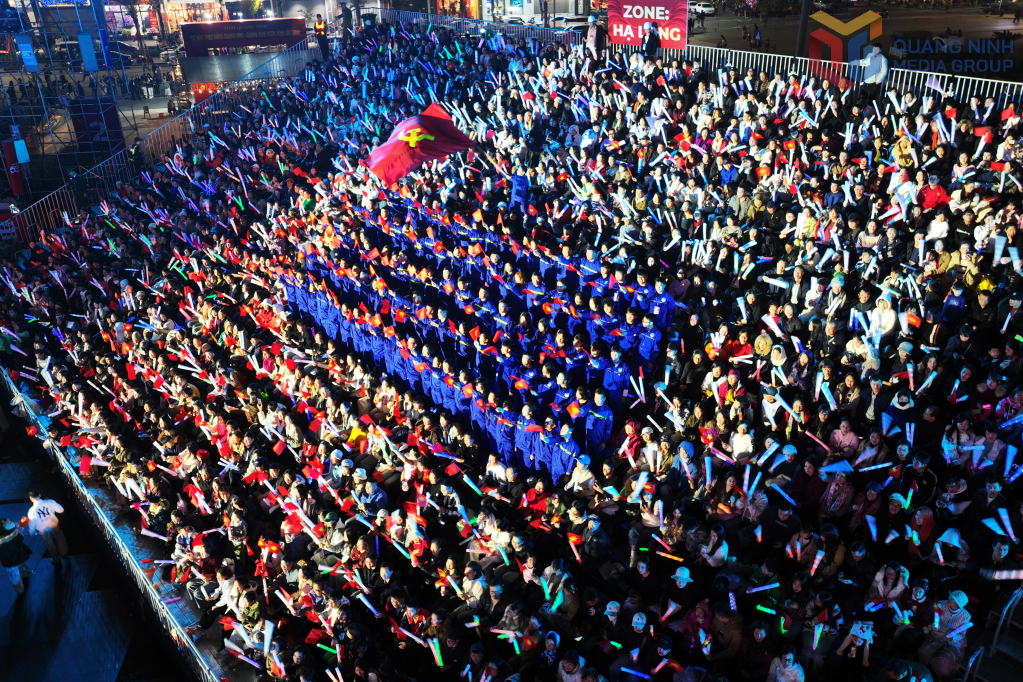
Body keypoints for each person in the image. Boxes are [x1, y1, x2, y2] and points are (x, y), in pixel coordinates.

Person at [26, 490, 67, 567]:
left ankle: (56, 560)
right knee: (59, 538)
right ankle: (63, 553)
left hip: (43, 530)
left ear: (31, 498)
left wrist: (31, 532)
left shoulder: (31, 511)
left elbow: (32, 524)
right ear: (39, 495)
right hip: (54, 525)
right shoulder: (50, 502)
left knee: (49, 543)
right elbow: (61, 510)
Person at [0, 518, 32, 594]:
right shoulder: (15, 533)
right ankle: (25, 575)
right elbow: (20, 538)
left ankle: (20, 591)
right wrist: (20, 530)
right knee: (22, 566)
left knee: (15, 577)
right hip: (19, 556)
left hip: (9, 563)